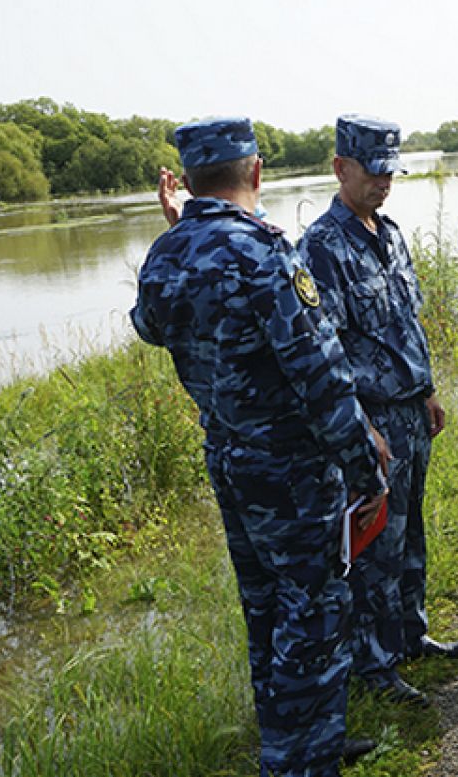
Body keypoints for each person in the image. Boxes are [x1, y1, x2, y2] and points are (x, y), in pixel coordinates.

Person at [131, 117, 384, 776]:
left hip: (229, 459)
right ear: (257, 172)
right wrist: (366, 466)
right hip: (292, 468)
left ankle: (299, 745)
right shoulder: (264, 251)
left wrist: (177, 231)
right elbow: (321, 376)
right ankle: (304, 762)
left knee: (266, 606)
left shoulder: (167, 253)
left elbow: (149, 328)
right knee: (316, 610)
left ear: (186, 181)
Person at [298, 115, 458, 708]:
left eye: (390, 170)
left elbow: (405, 324)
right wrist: (362, 428)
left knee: (410, 531)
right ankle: (374, 665)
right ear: (341, 167)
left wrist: (427, 391)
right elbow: (324, 353)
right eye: (372, 171)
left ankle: (410, 634)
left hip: (410, 413)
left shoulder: (389, 234)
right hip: (370, 421)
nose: (383, 182)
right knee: (374, 547)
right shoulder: (320, 249)